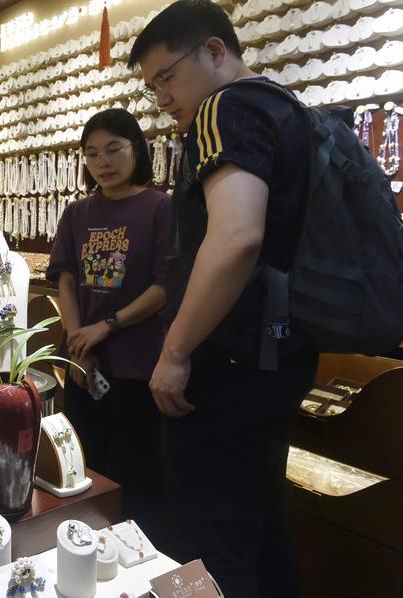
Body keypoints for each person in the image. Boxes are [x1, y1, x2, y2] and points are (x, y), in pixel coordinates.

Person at [128, 2, 318, 596]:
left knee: (209, 544)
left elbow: (236, 237)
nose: (162, 97)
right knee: (261, 527)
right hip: (278, 356)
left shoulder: (224, 108)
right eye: (151, 85)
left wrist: (175, 352)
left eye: (166, 77)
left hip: (226, 364)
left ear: (214, 51)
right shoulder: (286, 108)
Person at [46, 109, 171, 542]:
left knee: (136, 473)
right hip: (86, 366)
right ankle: (84, 548)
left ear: (137, 149)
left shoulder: (161, 208)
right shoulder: (77, 213)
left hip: (139, 365)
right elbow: (66, 280)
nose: (104, 162)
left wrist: (107, 326)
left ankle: (135, 553)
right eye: (93, 153)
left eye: (114, 149)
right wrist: (78, 342)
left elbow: (165, 287)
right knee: (84, 466)